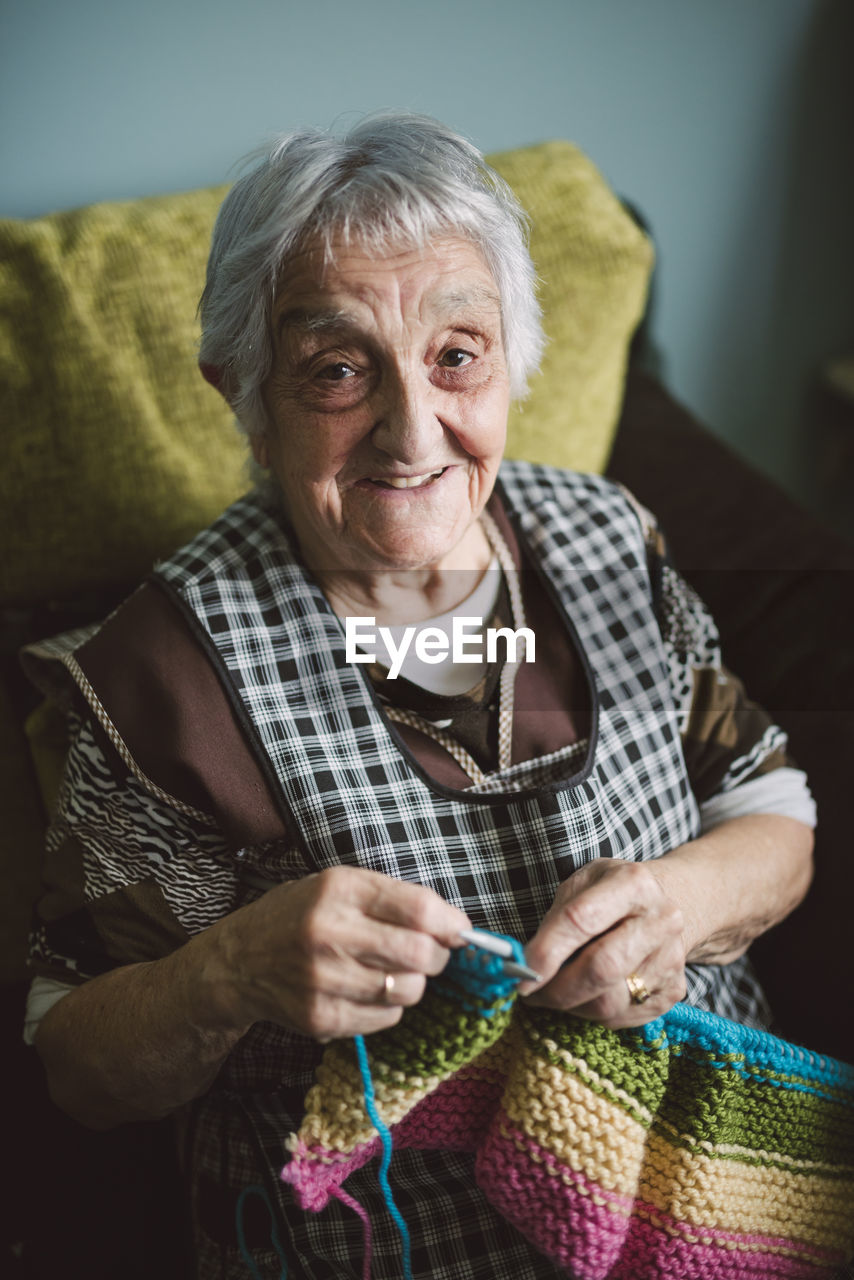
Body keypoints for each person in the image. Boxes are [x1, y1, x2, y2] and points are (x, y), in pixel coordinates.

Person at [23, 113, 815, 1279]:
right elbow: (74, 1062)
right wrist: (227, 972)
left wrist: (677, 905)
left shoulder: (607, 534)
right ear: (241, 390)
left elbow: (774, 810)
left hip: (712, 1211)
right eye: (337, 369)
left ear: (513, 358)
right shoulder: (161, 676)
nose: (410, 430)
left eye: (456, 354)